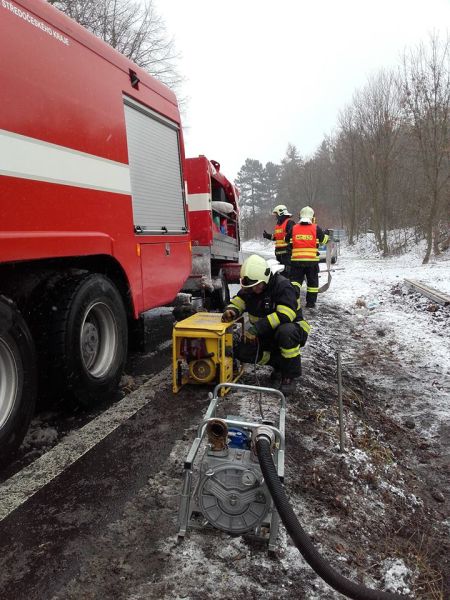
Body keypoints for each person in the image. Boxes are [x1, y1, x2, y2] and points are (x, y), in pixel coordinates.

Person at [222, 254, 310, 395]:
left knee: (286, 332)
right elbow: (239, 301)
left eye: (257, 285)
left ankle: (289, 376)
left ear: (265, 278)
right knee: (240, 349)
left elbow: (285, 315)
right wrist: (231, 310)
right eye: (251, 287)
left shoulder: (283, 286)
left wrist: (255, 329)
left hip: (291, 332)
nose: (254, 289)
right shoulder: (251, 288)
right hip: (265, 334)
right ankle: (278, 364)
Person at [289, 206, 329, 309]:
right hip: (312, 262)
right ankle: (310, 303)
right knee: (312, 284)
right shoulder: (316, 228)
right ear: (312, 217)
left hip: (296, 262)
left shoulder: (294, 228)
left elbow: (286, 240)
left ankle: (294, 302)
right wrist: (326, 234)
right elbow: (324, 241)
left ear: (300, 216)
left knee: (295, 282)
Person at [263, 205, 295, 275]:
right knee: (281, 273)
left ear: (281, 213)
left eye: (276, 214)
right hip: (279, 253)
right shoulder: (278, 224)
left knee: (288, 272)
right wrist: (267, 236)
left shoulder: (289, 222)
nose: (276, 216)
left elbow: (293, 235)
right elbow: (276, 237)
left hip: (287, 253)